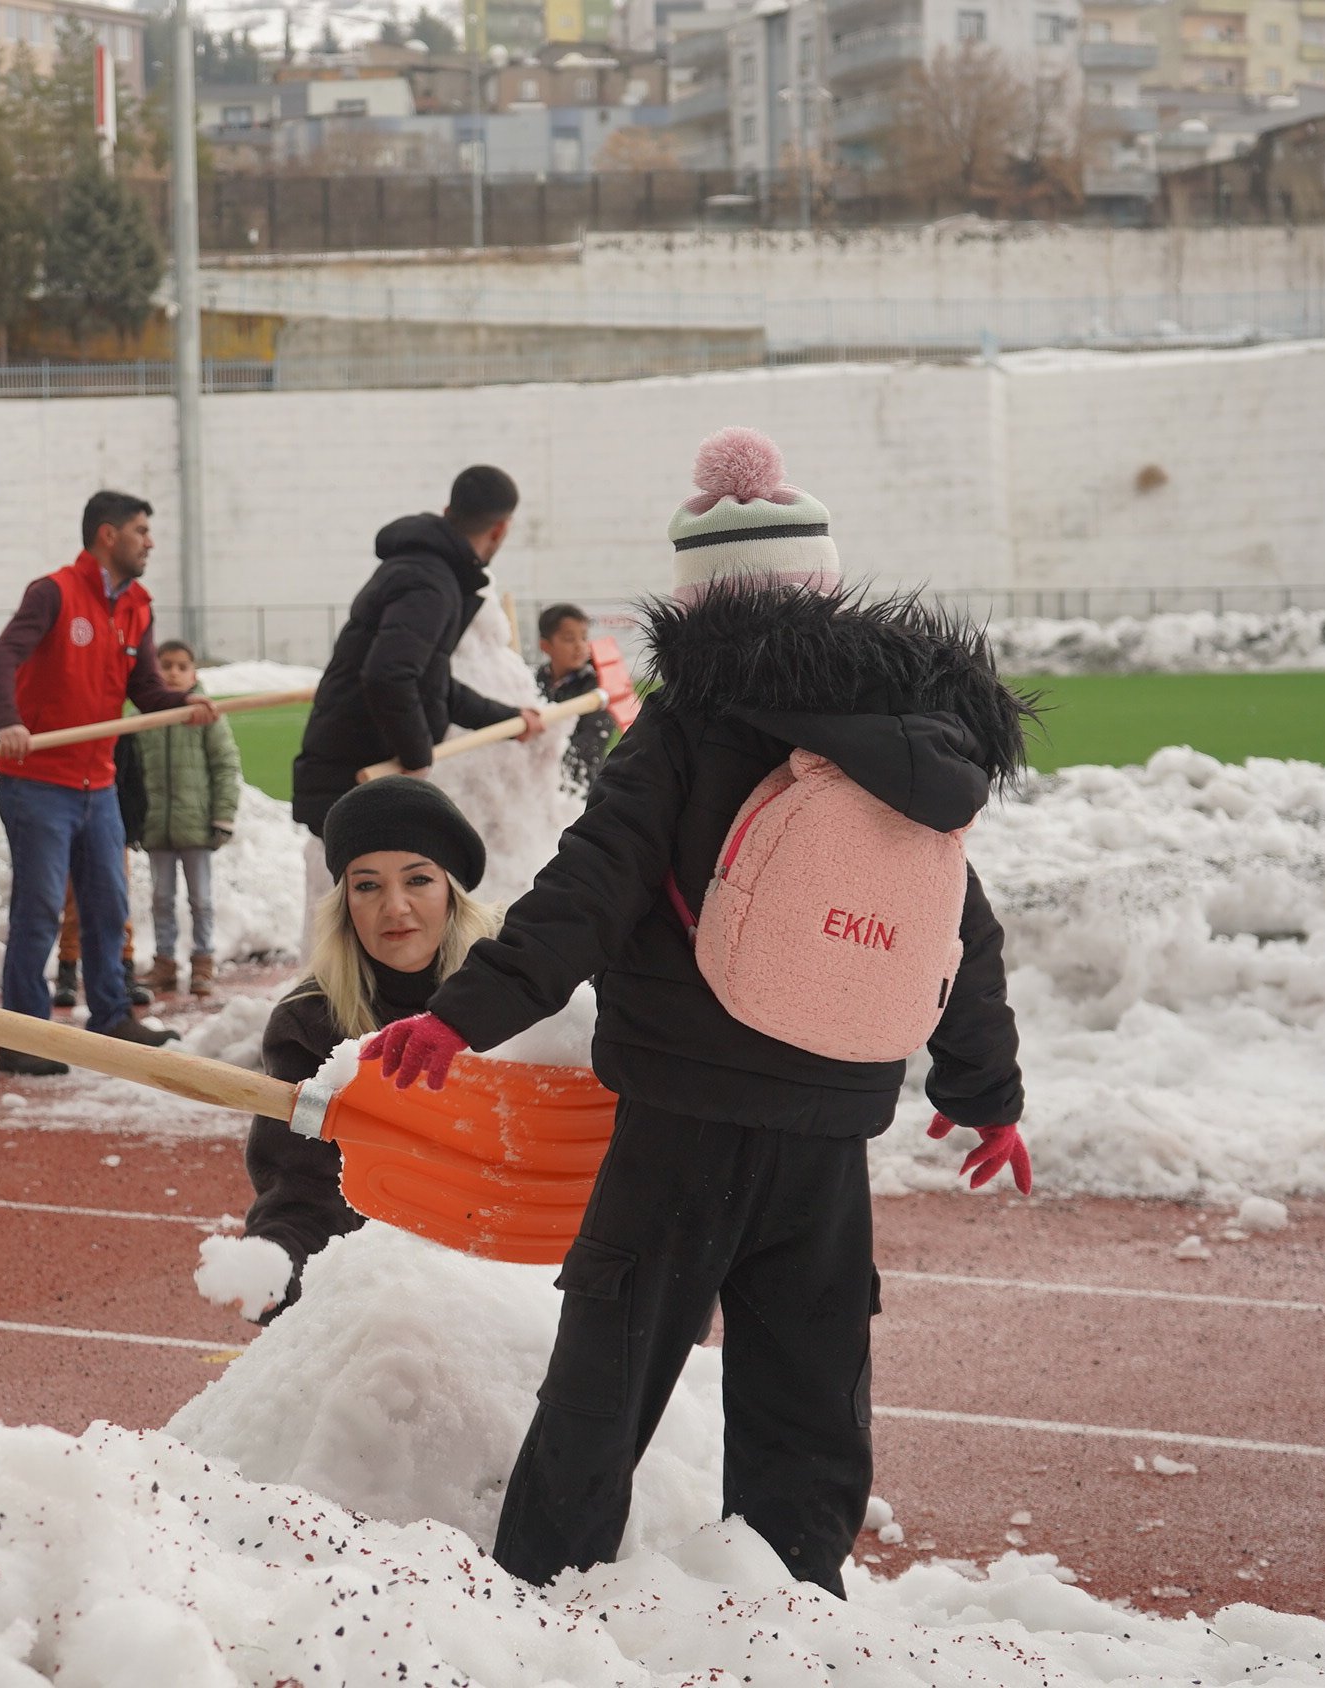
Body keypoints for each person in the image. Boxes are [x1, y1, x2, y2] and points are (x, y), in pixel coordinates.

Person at [362, 429, 1032, 1597]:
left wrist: (462, 1013)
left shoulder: (681, 732)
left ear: (699, 601)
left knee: (607, 1372)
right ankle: (790, 1604)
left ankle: (536, 1600)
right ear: (821, 584)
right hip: (831, 1118)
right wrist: (985, 1094)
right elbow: (952, 928)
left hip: (682, 1111)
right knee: (806, 1381)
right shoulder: (915, 746)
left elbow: (589, 889)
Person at [242, 778, 499, 1320]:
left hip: (510, 1285)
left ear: (452, 890)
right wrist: (275, 1261)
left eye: (419, 879)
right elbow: (302, 1188)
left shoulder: (517, 989)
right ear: (344, 903)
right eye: (367, 886)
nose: (395, 907)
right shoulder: (308, 1024)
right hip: (386, 1300)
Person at [0, 490, 217, 1075]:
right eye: (142, 530)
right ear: (108, 535)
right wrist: (7, 722)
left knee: (109, 905)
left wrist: (183, 703)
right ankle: (23, 1035)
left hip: (99, 785)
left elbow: (146, 691)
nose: (151, 541)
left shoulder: (138, 605)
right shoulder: (54, 592)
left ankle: (111, 1015)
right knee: (38, 911)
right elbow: (3, 659)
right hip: (38, 781)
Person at [290, 467, 545, 840]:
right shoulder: (429, 582)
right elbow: (388, 675)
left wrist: (509, 719)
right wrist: (416, 755)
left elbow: (431, 683)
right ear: (500, 529)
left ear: (447, 511)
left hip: (352, 771)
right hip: (360, 774)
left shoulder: (422, 572)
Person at [135, 639, 243, 999]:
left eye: (182, 666)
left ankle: (203, 962)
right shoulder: (143, 717)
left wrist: (222, 816)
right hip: (157, 827)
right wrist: (135, 819)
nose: (174, 673)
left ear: (194, 672)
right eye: (165, 666)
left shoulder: (207, 715)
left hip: (195, 826)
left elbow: (225, 765)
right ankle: (164, 961)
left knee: (201, 899)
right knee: (161, 898)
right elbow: (130, 773)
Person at [535, 602, 613, 798]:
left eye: (584, 638)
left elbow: (590, 745)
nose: (580, 646)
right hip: (539, 787)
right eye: (569, 639)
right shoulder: (534, 682)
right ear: (545, 646)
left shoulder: (598, 689)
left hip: (580, 792)